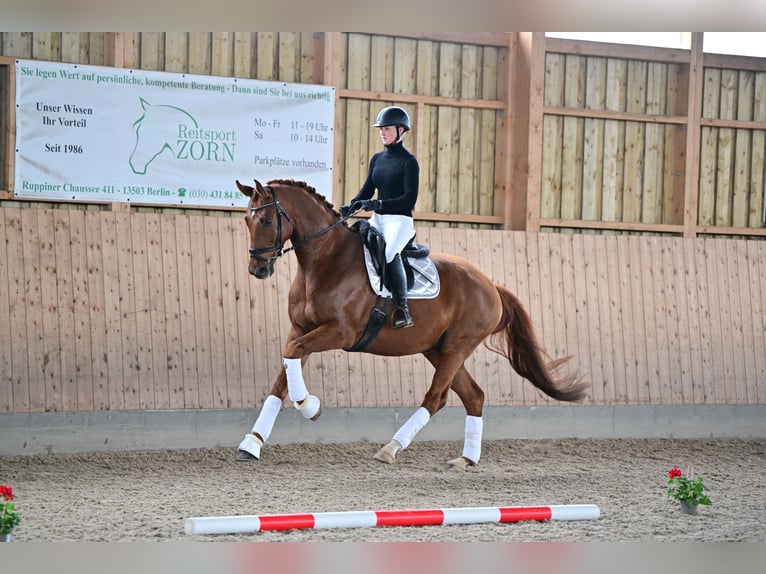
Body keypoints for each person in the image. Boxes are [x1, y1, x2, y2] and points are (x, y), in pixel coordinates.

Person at [340, 106, 419, 329]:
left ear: (401, 130)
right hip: (379, 219)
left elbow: (409, 199)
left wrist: (380, 203)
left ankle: (403, 308)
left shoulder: (409, 162)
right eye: (381, 129)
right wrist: (350, 206)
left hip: (399, 221)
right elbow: (367, 191)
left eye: (387, 129)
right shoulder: (377, 159)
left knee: (390, 251)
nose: (382, 132)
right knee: (355, 240)